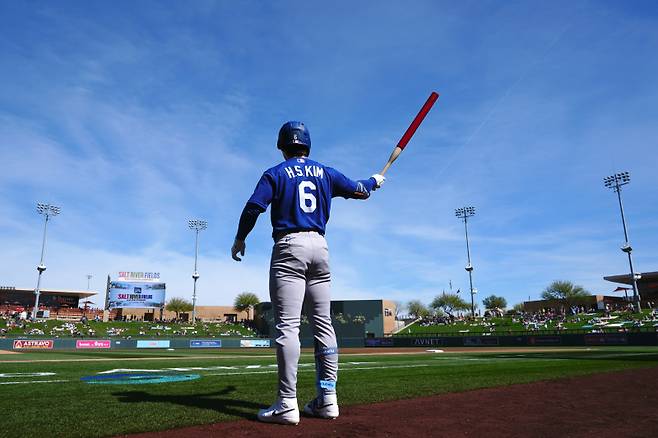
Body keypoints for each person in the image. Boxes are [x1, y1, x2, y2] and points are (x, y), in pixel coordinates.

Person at [231, 121, 384, 425]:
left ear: (282, 146)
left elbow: (253, 208)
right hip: (320, 247)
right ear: (308, 145)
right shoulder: (325, 172)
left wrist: (240, 237)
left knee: (288, 326)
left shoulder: (275, 173)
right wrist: (374, 180)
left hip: (290, 246)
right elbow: (361, 190)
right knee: (323, 324)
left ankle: (287, 402)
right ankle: (328, 399)